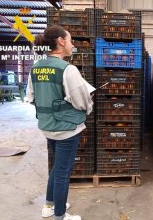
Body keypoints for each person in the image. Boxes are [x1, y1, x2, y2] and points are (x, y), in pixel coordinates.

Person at [27, 25, 95, 220]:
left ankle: (49, 205)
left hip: (48, 126)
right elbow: (81, 100)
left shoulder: (35, 67)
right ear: (61, 42)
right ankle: (60, 215)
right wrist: (88, 107)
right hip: (67, 129)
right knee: (63, 172)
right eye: (71, 40)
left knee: (56, 167)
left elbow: (31, 98)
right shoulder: (67, 69)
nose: (73, 45)